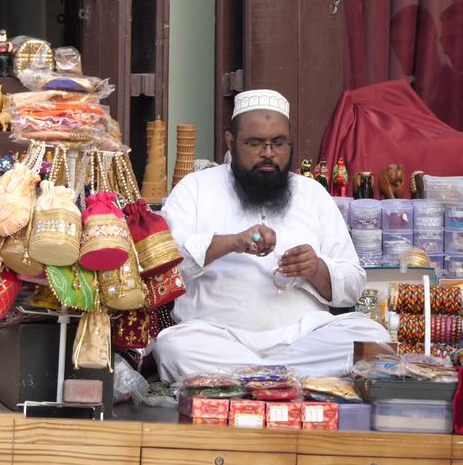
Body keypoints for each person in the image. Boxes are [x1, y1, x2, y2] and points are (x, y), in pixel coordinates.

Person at [154, 89, 390, 382]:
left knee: (372, 336)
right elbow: (165, 263)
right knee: (173, 346)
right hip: (218, 337)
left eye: (278, 143)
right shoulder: (196, 188)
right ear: (231, 141)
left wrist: (316, 269)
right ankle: (287, 381)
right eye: (255, 143)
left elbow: (353, 283)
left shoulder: (312, 194)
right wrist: (231, 242)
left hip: (303, 339)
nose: (268, 154)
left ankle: (252, 380)